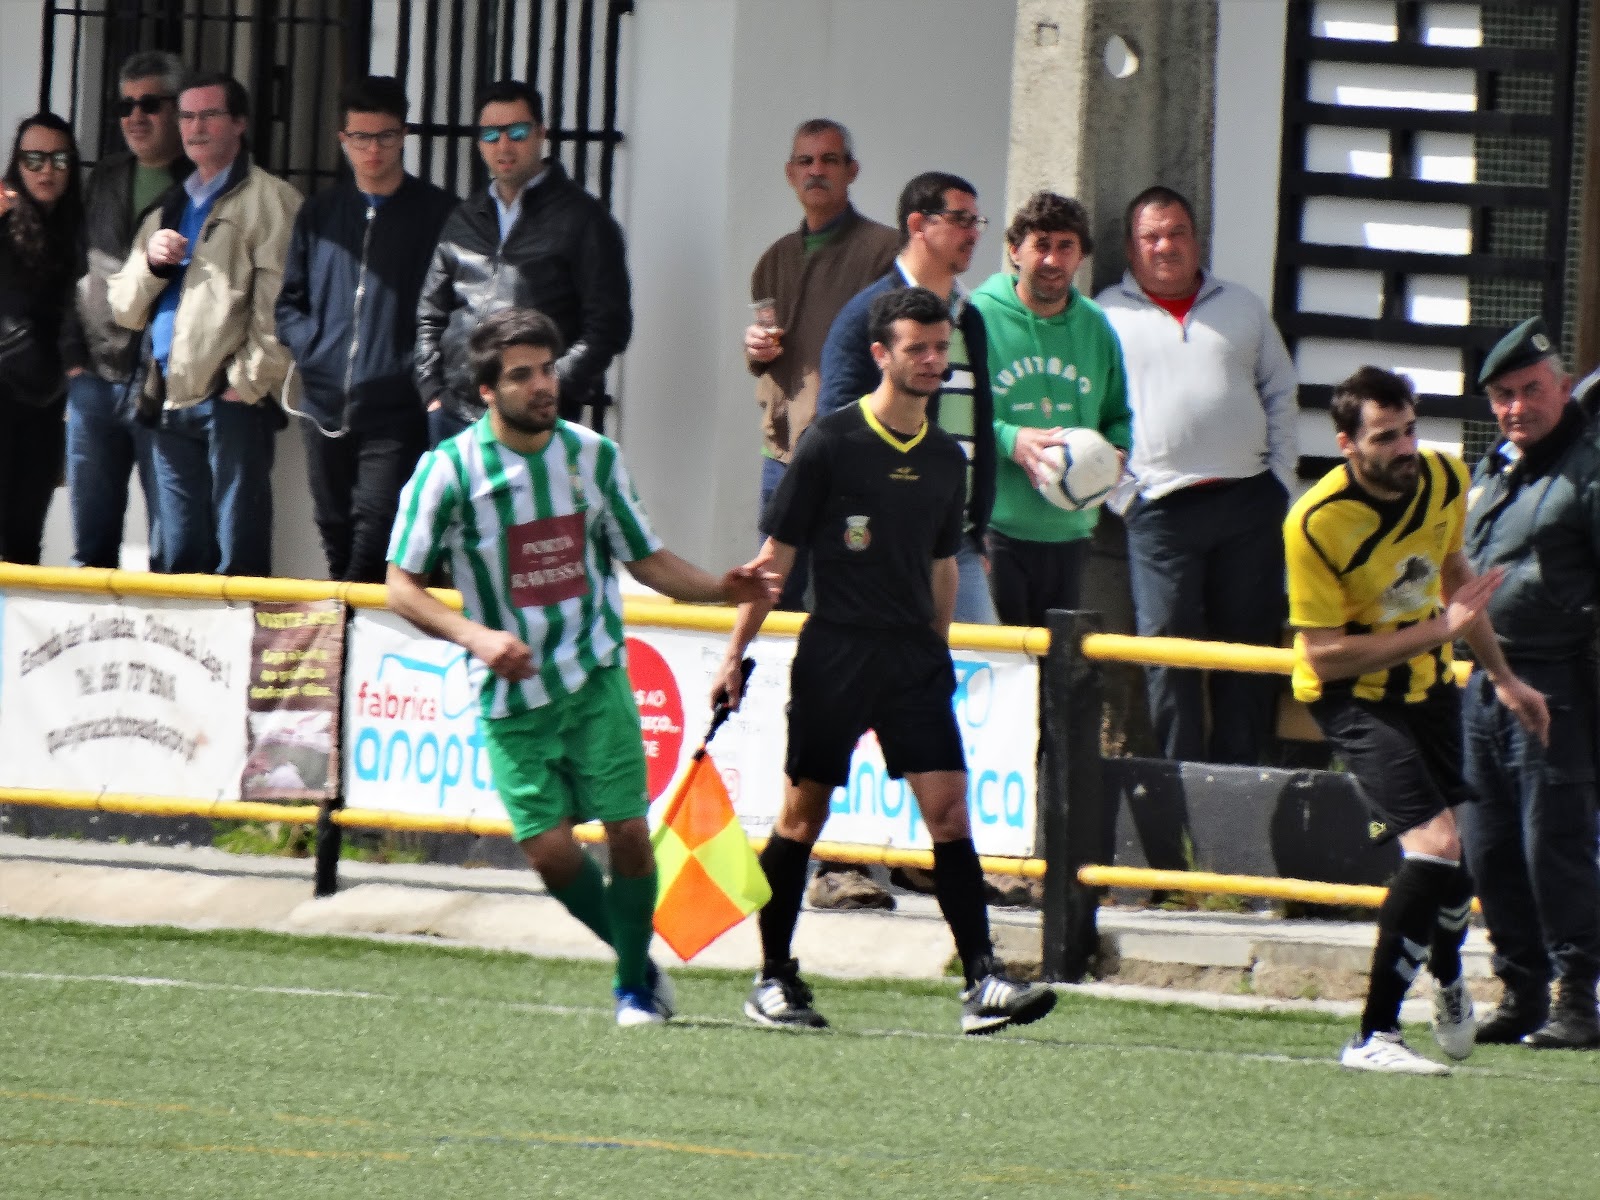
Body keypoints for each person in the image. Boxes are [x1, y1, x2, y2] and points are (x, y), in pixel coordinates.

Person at [385, 307, 775, 1026]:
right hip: (511, 696)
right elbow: (400, 585)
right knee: (550, 853)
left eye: (548, 369)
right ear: (485, 390)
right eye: (522, 375)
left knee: (628, 831)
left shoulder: (592, 456)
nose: (544, 385)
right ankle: (638, 958)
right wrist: (477, 638)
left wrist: (722, 588)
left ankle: (632, 989)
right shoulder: (448, 471)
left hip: (595, 674)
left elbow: (646, 559)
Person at [716, 286, 1057, 1035]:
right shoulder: (831, 442)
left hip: (912, 662)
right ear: (881, 355)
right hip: (836, 651)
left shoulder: (945, 457)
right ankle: (772, 977)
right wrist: (734, 653)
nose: (934, 361)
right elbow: (775, 559)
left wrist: (937, 649)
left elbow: (943, 564)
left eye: (940, 349)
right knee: (802, 817)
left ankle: (982, 981)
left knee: (950, 813)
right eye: (918, 349)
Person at [1285, 365, 1548, 1075]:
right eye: (1385, 438)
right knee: (1434, 846)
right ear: (1346, 443)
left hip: (1428, 689)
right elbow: (1324, 655)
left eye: (1409, 430)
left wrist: (1504, 678)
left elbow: (1456, 577)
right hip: (1353, 697)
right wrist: (1440, 630)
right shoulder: (1313, 522)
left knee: (1455, 860)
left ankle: (1447, 970)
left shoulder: (1444, 476)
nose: (1405, 448)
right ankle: (1374, 1036)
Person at [1098, 186, 1297, 765]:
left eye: (1176, 233)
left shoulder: (1242, 306)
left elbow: (1281, 391)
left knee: (1250, 652)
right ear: (1131, 248)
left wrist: (1280, 482)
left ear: (1196, 238)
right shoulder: (1104, 315)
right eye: (1151, 237)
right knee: (1167, 652)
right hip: (1159, 509)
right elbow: (1089, 410)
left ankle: (1239, 785)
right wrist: (1124, 496)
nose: (1166, 246)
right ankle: (1176, 788)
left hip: (1248, 503)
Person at [1460, 318, 1600, 1050]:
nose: (1517, 407)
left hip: (1556, 684)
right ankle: (1521, 990)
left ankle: (1577, 997)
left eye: (1531, 390)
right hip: (1486, 679)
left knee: (1555, 847)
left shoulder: (1589, 468)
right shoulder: (1493, 468)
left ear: (1563, 386)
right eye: (1503, 395)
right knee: (1489, 846)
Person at [108, 71, 302, 577]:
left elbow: (281, 306)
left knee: (239, 561)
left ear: (239, 123)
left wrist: (244, 384)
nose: (195, 128)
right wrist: (151, 264)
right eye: (187, 116)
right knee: (177, 561)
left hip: (231, 402)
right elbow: (124, 306)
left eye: (209, 115)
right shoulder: (169, 205)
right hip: (167, 398)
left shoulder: (271, 200)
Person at [276, 76, 457, 583]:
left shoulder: (438, 214)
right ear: (343, 139)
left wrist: (421, 375)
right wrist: (314, 350)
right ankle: (348, 626)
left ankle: (349, 620)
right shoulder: (320, 213)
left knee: (375, 532)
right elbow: (288, 303)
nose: (373, 150)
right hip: (323, 404)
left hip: (397, 406)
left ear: (403, 135)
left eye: (385, 136)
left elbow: (452, 310)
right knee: (334, 529)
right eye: (360, 137)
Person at [816, 171, 998, 626]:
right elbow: (836, 426)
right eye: (960, 219)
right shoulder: (867, 314)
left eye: (977, 222)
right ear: (918, 225)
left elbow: (978, 425)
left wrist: (979, 524)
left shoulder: (970, 318)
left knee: (977, 666)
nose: (973, 233)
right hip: (883, 541)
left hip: (957, 545)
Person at [415, 80, 630, 444]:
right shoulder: (464, 218)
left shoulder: (583, 219)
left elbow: (608, 325)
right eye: (491, 134)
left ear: (540, 133)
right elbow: (430, 313)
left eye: (516, 132)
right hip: (455, 415)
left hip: (534, 418)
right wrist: (431, 391)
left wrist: (548, 388)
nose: (503, 146)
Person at [745, 117, 898, 611]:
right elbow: (772, 348)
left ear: (852, 170)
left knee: (843, 596)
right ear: (790, 173)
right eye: (805, 161)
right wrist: (755, 350)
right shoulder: (774, 259)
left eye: (829, 160)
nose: (816, 171)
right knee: (775, 598)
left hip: (847, 454)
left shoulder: (884, 252)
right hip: (781, 454)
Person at [971, 191, 1131, 624]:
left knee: (1059, 665)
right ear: (1014, 250)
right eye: (1041, 245)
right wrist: (1010, 438)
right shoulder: (977, 317)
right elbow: (951, 414)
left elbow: (1118, 415)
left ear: (1081, 256)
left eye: (1065, 247)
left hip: (1072, 534)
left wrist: (1117, 452)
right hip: (996, 533)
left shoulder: (1095, 326)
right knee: (1001, 662)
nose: (1052, 260)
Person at [61, 51, 190, 569]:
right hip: (94, 375)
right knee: (90, 547)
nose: (136, 116)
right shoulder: (106, 176)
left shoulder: (199, 182)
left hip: (163, 382)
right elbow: (77, 264)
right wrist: (72, 356)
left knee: (171, 548)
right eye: (126, 105)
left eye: (150, 104)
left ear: (177, 109)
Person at [0, 114, 85, 564]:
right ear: (18, 164)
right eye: (33, 159)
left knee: (25, 533)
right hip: (3, 384)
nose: (46, 170)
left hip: (48, 400)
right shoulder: (4, 214)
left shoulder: (79, 228)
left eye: (58, 159)